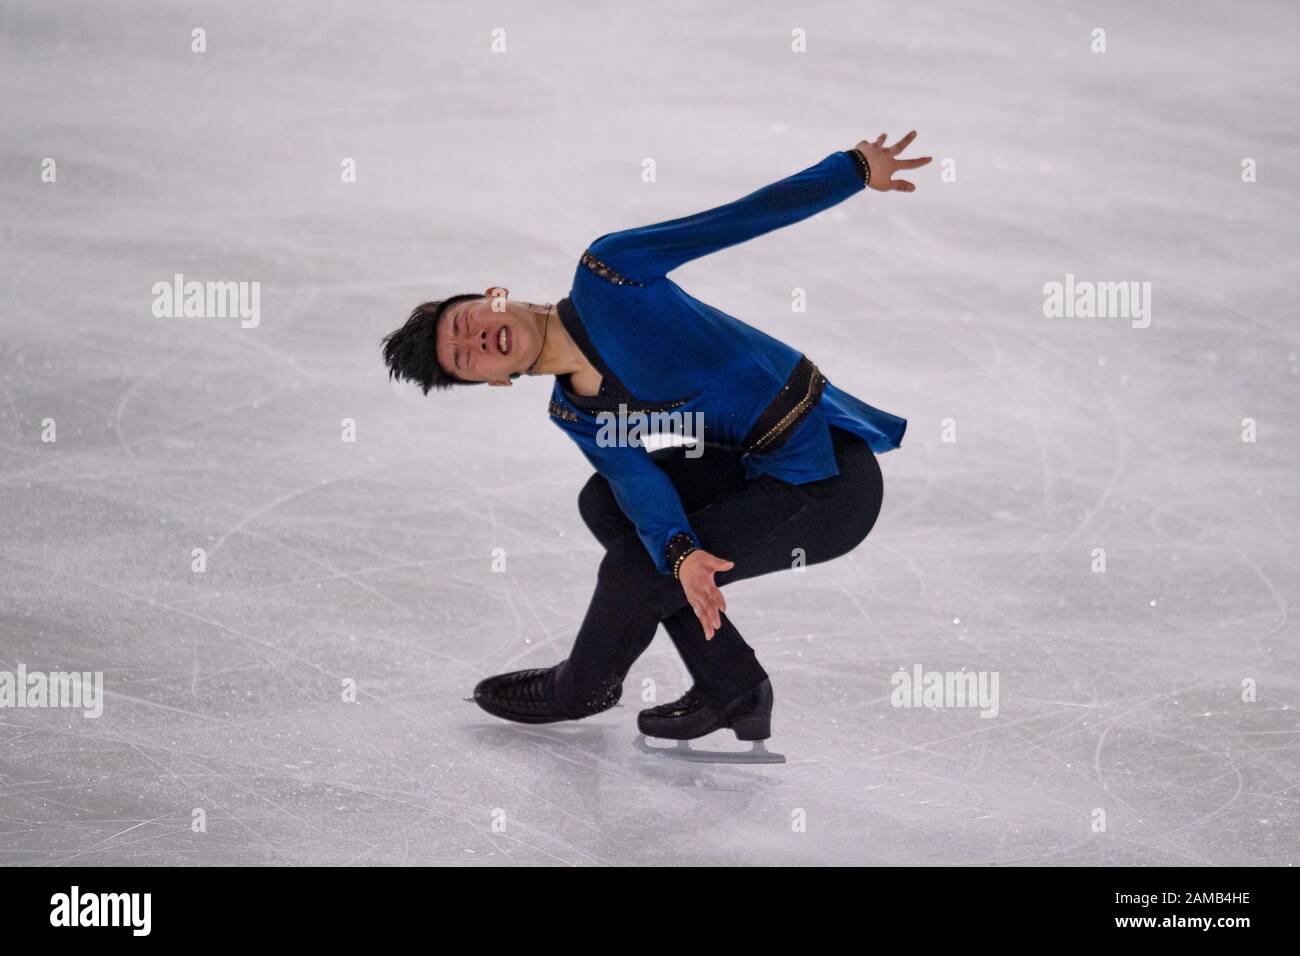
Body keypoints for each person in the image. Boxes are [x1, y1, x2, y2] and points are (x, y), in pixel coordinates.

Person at [382, 133, 929, 750]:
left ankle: (580, 688)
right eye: (464, 360)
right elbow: (637, 484)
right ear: (498, 380)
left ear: (496, 296)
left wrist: (853, 171)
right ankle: (734, 686)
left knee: (633, 568)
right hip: (760, 469)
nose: (476, 343)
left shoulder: (611, 273)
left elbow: (733, 220)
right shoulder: (576, 411)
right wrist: (682, 554)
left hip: (829, 484)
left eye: (465, 325)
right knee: (609, 508)